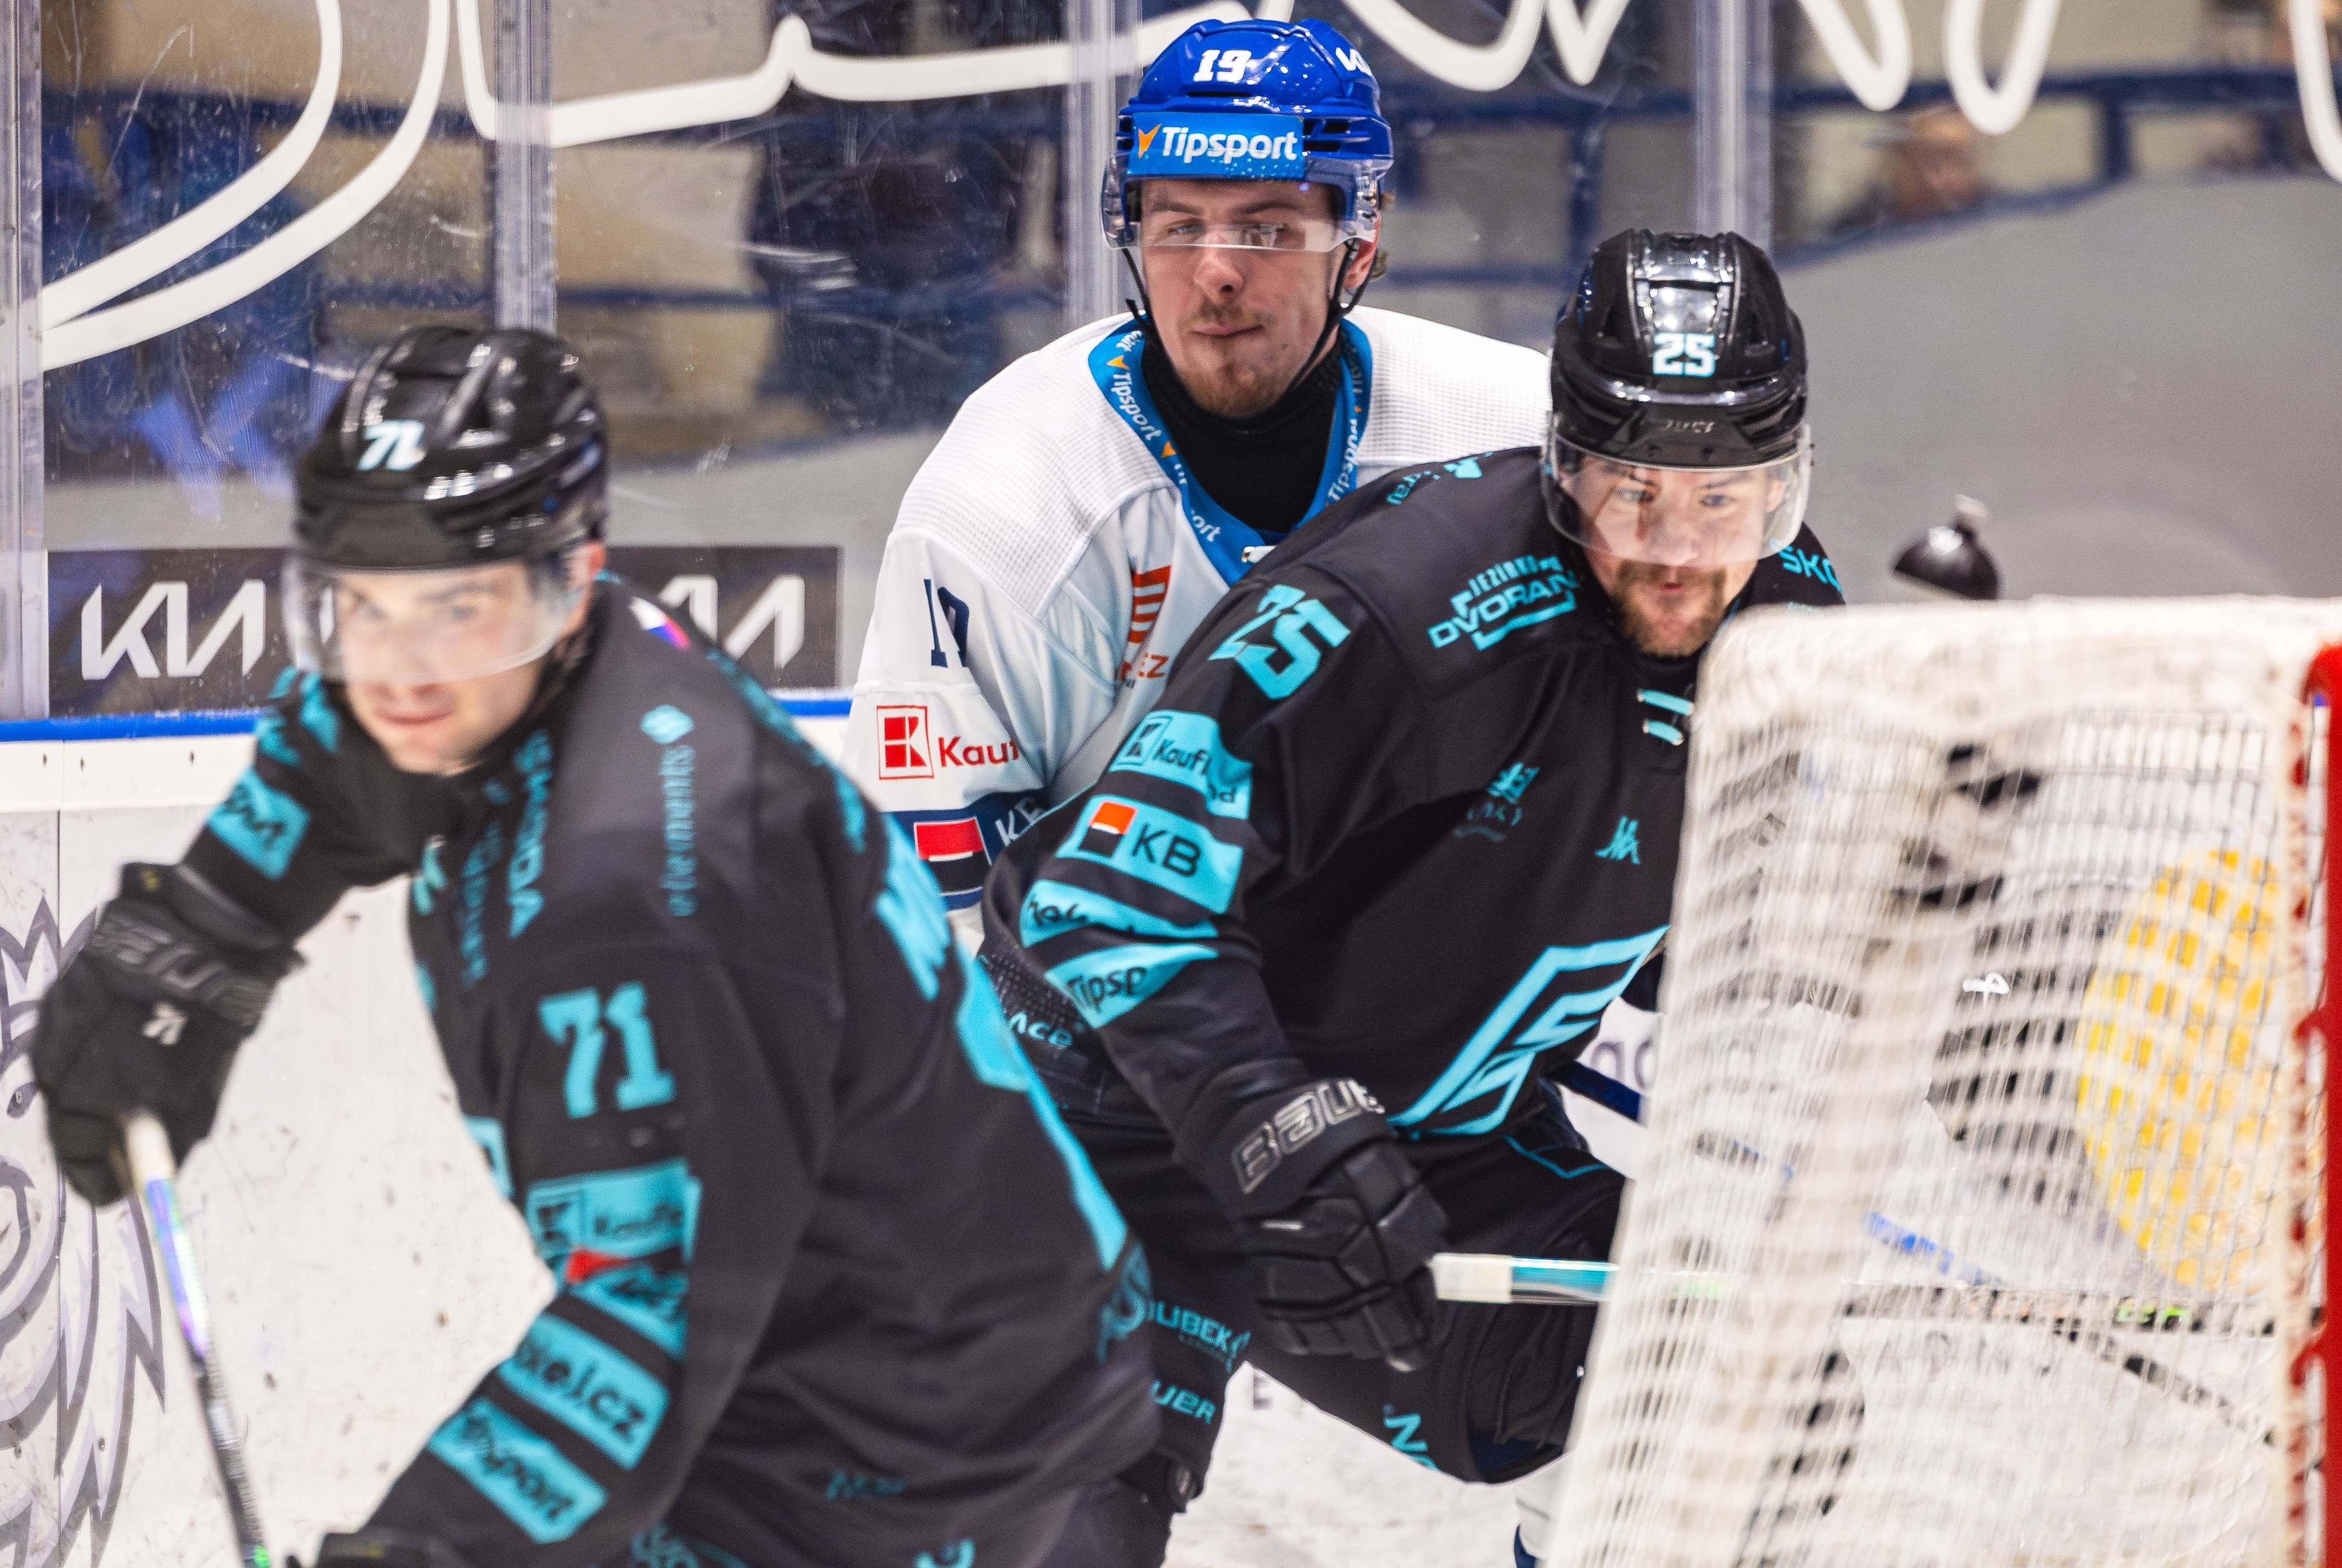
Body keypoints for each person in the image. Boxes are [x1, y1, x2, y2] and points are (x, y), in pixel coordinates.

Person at [29, 326, 1156, 1568]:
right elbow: (347, 745)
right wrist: (202, 925)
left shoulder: (638, 887)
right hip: (794, 1341)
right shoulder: (527, 670)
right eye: (359, 604)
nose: (400, 669)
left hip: (929, 1423)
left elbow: (646, 1310)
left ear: (574, 576)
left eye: (457, 608)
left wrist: (424, 1550)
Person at [979, 230, 1847, 1566]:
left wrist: (1975, 970)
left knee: (1743, 1393)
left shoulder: (1789, 629)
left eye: (1722, 499)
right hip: (1114, 1106)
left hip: (1416, 1144)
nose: (1678, 551)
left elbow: (1724, 925)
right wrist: (1274, 1133)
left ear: (1784, 486)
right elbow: (1104, 897)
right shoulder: (1399, 604)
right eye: (1634, 493)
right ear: (1565, 465)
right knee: (1065, 1532)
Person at [844, 17, 1551, 928]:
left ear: (1359, 242)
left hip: (1421, 978)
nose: (1215, 272)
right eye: (1179, 227)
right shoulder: (1009, 499)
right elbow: (936, 914)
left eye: (1266, 229)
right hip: (1107, 986)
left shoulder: (1514, 436)